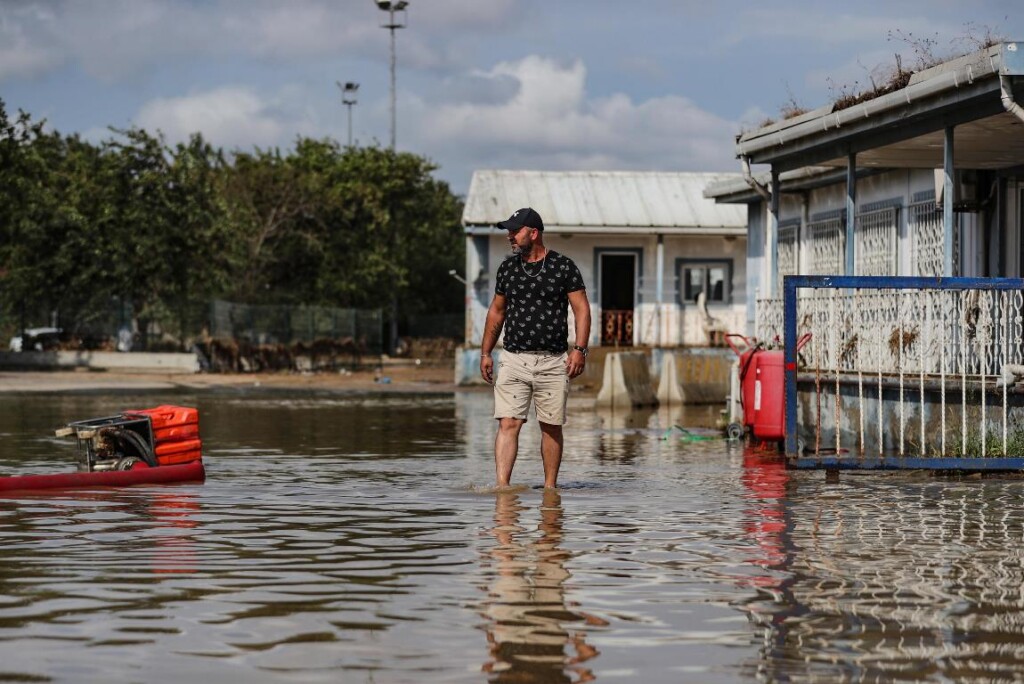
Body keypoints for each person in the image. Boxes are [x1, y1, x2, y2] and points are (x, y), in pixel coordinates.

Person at [479, 207, 592, 489]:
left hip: (554, 361)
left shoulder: (563, 267)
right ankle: (502, 488)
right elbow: (497, 312)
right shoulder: (507, 268)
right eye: (509, 232)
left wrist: (580, 349)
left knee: (551, 427)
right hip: (514, 359)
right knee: (508, 423)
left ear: (533, 232)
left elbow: (582, 310)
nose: (510, 237)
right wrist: (485, 352)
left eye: (515, 231)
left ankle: (550, 490)